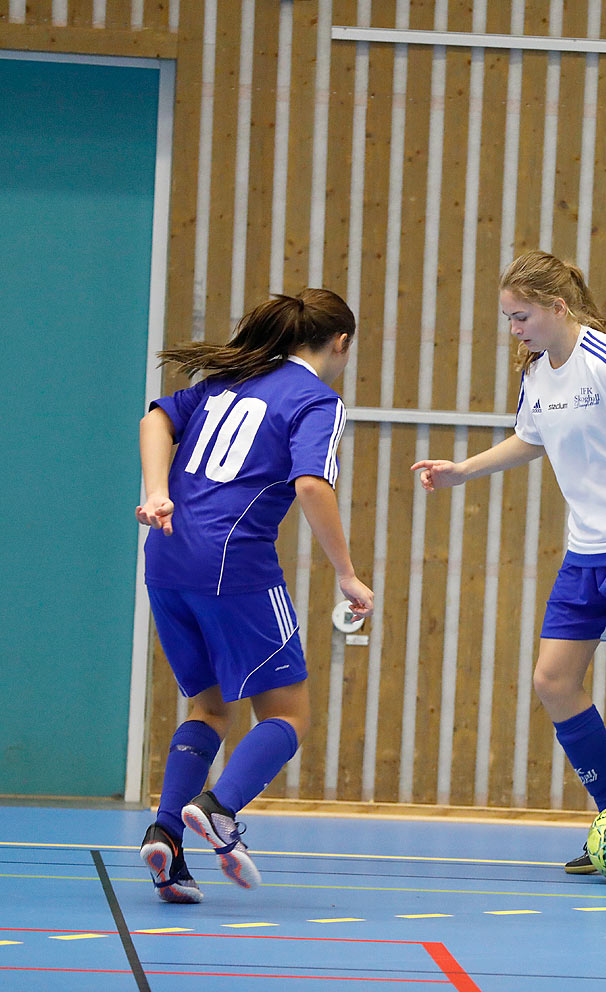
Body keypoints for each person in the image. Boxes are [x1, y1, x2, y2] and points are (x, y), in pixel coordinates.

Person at [412, 251, 606, 871]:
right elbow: (532, 438)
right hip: (587, 547)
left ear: (558, 308)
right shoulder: (537, 375)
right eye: (507, 319)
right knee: (553, 681)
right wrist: (461, 472)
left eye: (522, 316)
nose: (514, 330)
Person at [135, 288, 374, 902]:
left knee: (210, 706)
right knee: (288, 715)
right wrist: (346, 572)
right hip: (232, 563)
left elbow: (154, 417)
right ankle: (219, 809)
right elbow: (313, 483)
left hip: (165, 554)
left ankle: (166, 833)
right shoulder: (317, 399)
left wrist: (158, 491)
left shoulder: (229, 381)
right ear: (339, 343)